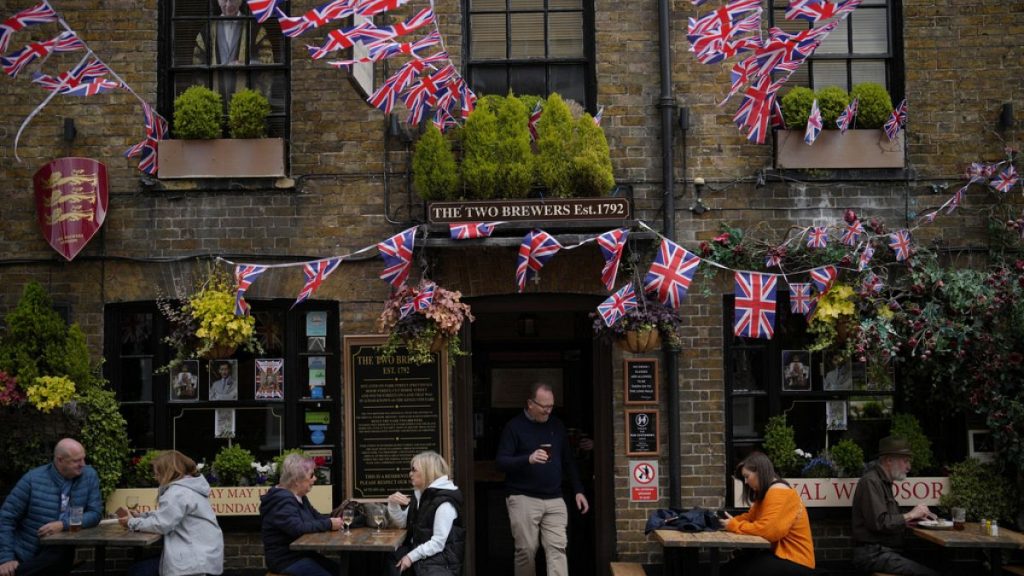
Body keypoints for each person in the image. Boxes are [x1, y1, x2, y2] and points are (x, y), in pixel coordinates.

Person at [496, 382, 589, 576]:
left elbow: (567, 460)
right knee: (526, 550)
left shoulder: (557, 425)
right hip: (523, 497)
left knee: (558, 549)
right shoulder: (514, 427)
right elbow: (501, 462)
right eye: (544, 407)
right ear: (530, 404)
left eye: (551, 406)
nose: (548, 411)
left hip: (554, 498)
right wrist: (528, 459)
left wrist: (579, 490)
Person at [0, 438, 102, 576]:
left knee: (60, 552)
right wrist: (6, 558)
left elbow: (95, 513)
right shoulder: (32, 479)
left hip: (61, 547)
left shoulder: (89, 476)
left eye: (83, 459)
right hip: (26, 549)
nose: (82, 464)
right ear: (60, 460)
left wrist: (63, 524)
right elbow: (6, 518)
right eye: (76, 461)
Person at [121, 450, 224, 576]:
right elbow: (168, 515)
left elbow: (162, 524)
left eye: (157, 473)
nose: (156, 477)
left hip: (194, 563)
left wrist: (131, 522)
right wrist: (142, 516)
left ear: (167, 472)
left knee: (137, 571)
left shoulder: (177, 492)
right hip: (204, 557)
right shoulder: (188, 488)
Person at [851, 436, 939, 576]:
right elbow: (880, 523)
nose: (909, 467)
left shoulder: (883, 481)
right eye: (905, 461)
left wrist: (914, 520)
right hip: (873, 555)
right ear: (889, 460)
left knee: (935, 563)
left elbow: (889, 518)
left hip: (884, 552)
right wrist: (911, 514)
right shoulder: (871, 482)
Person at [721, 452, 815, 576]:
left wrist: (733, 526)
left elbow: (768, 531)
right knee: (730, 567)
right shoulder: (766, 493)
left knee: (741, 570)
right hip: (779, 556)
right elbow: (750, 518)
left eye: (747, 476)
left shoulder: (779, 492)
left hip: (796, 561)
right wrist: (726, 522)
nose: (746, 482)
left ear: (759, 472)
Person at [260, 454, 342, 576]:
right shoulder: (282, 500)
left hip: (301, 555)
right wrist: (329, 523)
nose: (314, 479)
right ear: (297, 480)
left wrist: (340, 519)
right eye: (311, 475)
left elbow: (317, 517)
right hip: (285, 560)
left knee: (339, 570)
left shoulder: (299, 497)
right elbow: (297, 528)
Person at [385, 451, 465, 575]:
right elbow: (402, 522)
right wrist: (393, 504)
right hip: (424, 555)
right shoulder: (420, 496)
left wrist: (410, 557)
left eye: (414, 470)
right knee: (392, 556)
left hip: (441, 562)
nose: (410, 474)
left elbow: (438, 543)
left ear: (427, 472)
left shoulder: (444, 503)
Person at [193, 0, 274, 101]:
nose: (228, 5)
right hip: (215, 102)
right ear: (218, 1)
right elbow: (197, 66)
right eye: (224, 0)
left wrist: (247, 64)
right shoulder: (206, 31)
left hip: (246, 102)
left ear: (240, 1)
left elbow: (267, 63)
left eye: (232, 0)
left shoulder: (255, 30)